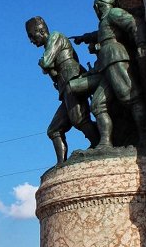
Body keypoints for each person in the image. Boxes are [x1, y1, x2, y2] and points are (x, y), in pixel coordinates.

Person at [72, 0, 146, 149]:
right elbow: (102, 32)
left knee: (131, 97)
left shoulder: (113, 13)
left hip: (116, 58)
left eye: (95, 7)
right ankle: (105, 142)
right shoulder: (105, 20)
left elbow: (134, 23)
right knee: (97, 104)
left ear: (98, 6)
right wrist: (85, 37)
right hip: (106, 63)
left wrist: (142, 44)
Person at [25, 16, 99, 164]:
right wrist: (49, 69)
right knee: (54, 130)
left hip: (73, 81)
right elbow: (50, 68)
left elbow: (46, 61)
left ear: (40, 30)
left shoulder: (56, 36)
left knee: (79, 119)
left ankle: (99, 144)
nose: (31, 41)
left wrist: (46, 65)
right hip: (65, 86)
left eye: (32, 36)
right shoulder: (49, 45)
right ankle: (61, 164)